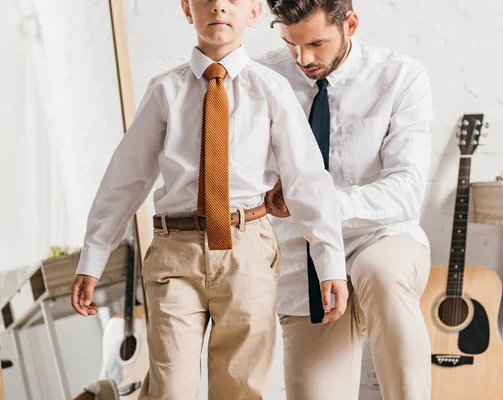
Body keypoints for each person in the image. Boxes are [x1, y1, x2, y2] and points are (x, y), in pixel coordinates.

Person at [69, 0, 349, 398]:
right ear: (187, 9)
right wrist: (94, 256)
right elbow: (125, 179)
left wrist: (330, 262)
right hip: (174, 253)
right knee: (170, 388)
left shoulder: (270, 89)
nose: (218, 6)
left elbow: (307, 180)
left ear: (254, 12)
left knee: (240, 387)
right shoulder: (165, 90)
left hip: (247, 250)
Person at [260, 0, 434, 399]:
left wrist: (315, 203)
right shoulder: (263, 78)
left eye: (316, 44)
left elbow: (406, 191)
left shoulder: (400, 77)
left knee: (379, 272)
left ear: (350, 24)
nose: (303, 58)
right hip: (304, 265)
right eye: (291, 44)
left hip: (381, 240)